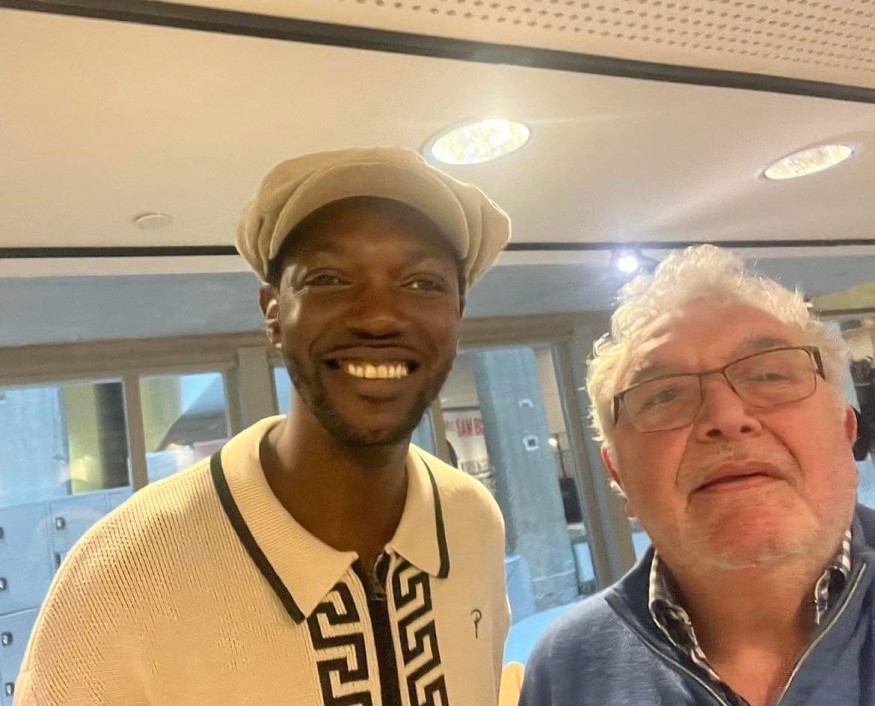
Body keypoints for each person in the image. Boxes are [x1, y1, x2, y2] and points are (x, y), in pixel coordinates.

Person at [17, 147, 511, 704]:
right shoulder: (121, 578)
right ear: (274, 314)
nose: (378, 316)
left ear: (458, 314)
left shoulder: (474, 522)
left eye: (423, 283)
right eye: (328, 278)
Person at [520, 244, 872, 706]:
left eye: (769, 376)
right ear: (618, 474)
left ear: (846, 428)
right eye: (665, 395)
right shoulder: (567, 669)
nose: (726, 416)